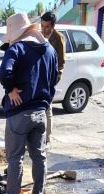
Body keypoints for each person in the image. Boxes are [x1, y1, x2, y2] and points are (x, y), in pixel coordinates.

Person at [0, 13, 58, 194]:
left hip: (19, 113)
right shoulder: (49, 50)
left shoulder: (17, 48)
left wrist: (11, 89)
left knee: (15, 157)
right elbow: (53, 80)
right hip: (41, 112)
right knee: (39, 156)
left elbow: (4, 72)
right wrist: (45, 102)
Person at [41, 11, 65, 149]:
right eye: (42, 26)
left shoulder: (58, 39)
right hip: (38, 78)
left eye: (47, 27)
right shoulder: (38, 36)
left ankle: (48, 139)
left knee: (48, 108)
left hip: (50, 79)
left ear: (53, 26)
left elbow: (61, 63)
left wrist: (54, 80)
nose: (44, 29)